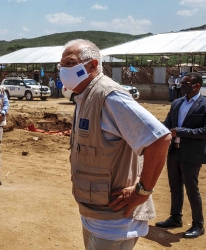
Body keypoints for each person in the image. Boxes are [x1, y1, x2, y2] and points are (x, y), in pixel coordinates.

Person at [59, 39, 171, 249]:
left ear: (92, 66)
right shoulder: (85, 96)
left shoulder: (109, 96)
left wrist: (141, 192)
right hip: (94, 214)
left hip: (116, 223)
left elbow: (159, 139)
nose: (62, 70)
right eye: (61, 65)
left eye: (69, 63)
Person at [156, 72, 206, 238]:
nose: (181, 85)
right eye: (182, 83)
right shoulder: (177, 103)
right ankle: (175, 217)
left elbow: (204, 131)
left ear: (196, 86)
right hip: (174, 151)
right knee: (175, 187)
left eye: (185, 83)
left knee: (192, 190)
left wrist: (180, 132)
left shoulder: (204, 104)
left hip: (191, 154)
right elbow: (167, 124)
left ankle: (198, 225)